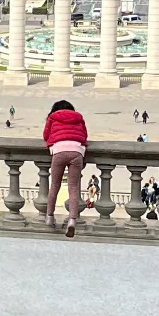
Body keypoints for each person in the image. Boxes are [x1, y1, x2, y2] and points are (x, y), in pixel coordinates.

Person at [42, 98, 88, 237]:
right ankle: (72, 220)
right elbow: (85, 135)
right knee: (73, 188)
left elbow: (45, 135)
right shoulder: (79, 118)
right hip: (76, 151)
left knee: (54, 185)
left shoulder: (52, 118)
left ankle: (50, 217)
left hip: (59, 151)